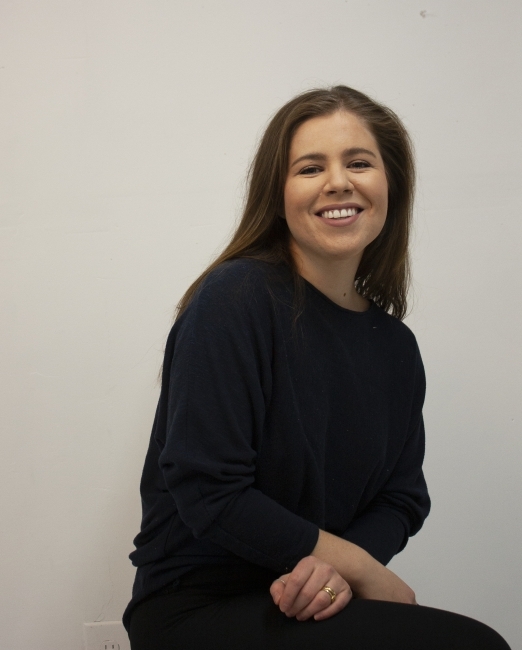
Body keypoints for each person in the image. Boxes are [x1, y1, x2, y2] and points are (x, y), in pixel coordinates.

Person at [124, 86, 510, 649]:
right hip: (199, 606)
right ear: (277, 194)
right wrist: (363, 572)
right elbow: (209, 486)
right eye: (310, 167)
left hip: (320, 602)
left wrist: (341, 570)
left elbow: (402, 497)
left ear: (390, 185)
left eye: (359, 162)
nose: (338, 182)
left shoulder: (396, 346)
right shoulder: (236, 298)